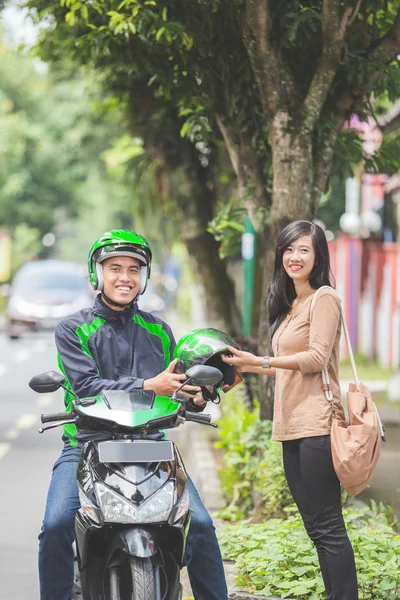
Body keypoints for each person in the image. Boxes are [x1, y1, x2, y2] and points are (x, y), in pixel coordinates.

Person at [38, 229, 228, 600]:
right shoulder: (73, 329)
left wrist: (197, 398)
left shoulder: (158, 330)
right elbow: (87, 387)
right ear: (98, 273)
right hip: (87, 445)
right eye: (115, 268)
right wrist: (147, 385)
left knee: (201, 526)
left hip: (151, 447)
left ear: (144, 277)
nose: (125, 277)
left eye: (133, 269)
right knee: (56, 524)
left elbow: (173, 391)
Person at [222, 220, 358, 600]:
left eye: (304, 250)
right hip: (290, 425)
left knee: (329, 524)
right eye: (288, 249)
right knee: (314, 526)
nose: (294, 257)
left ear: (317, 257)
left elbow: (315, 359)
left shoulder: (324, 298)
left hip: (316, 423)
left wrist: (260, 362)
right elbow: (282, 360)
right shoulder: (289, 303)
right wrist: (244, 365)